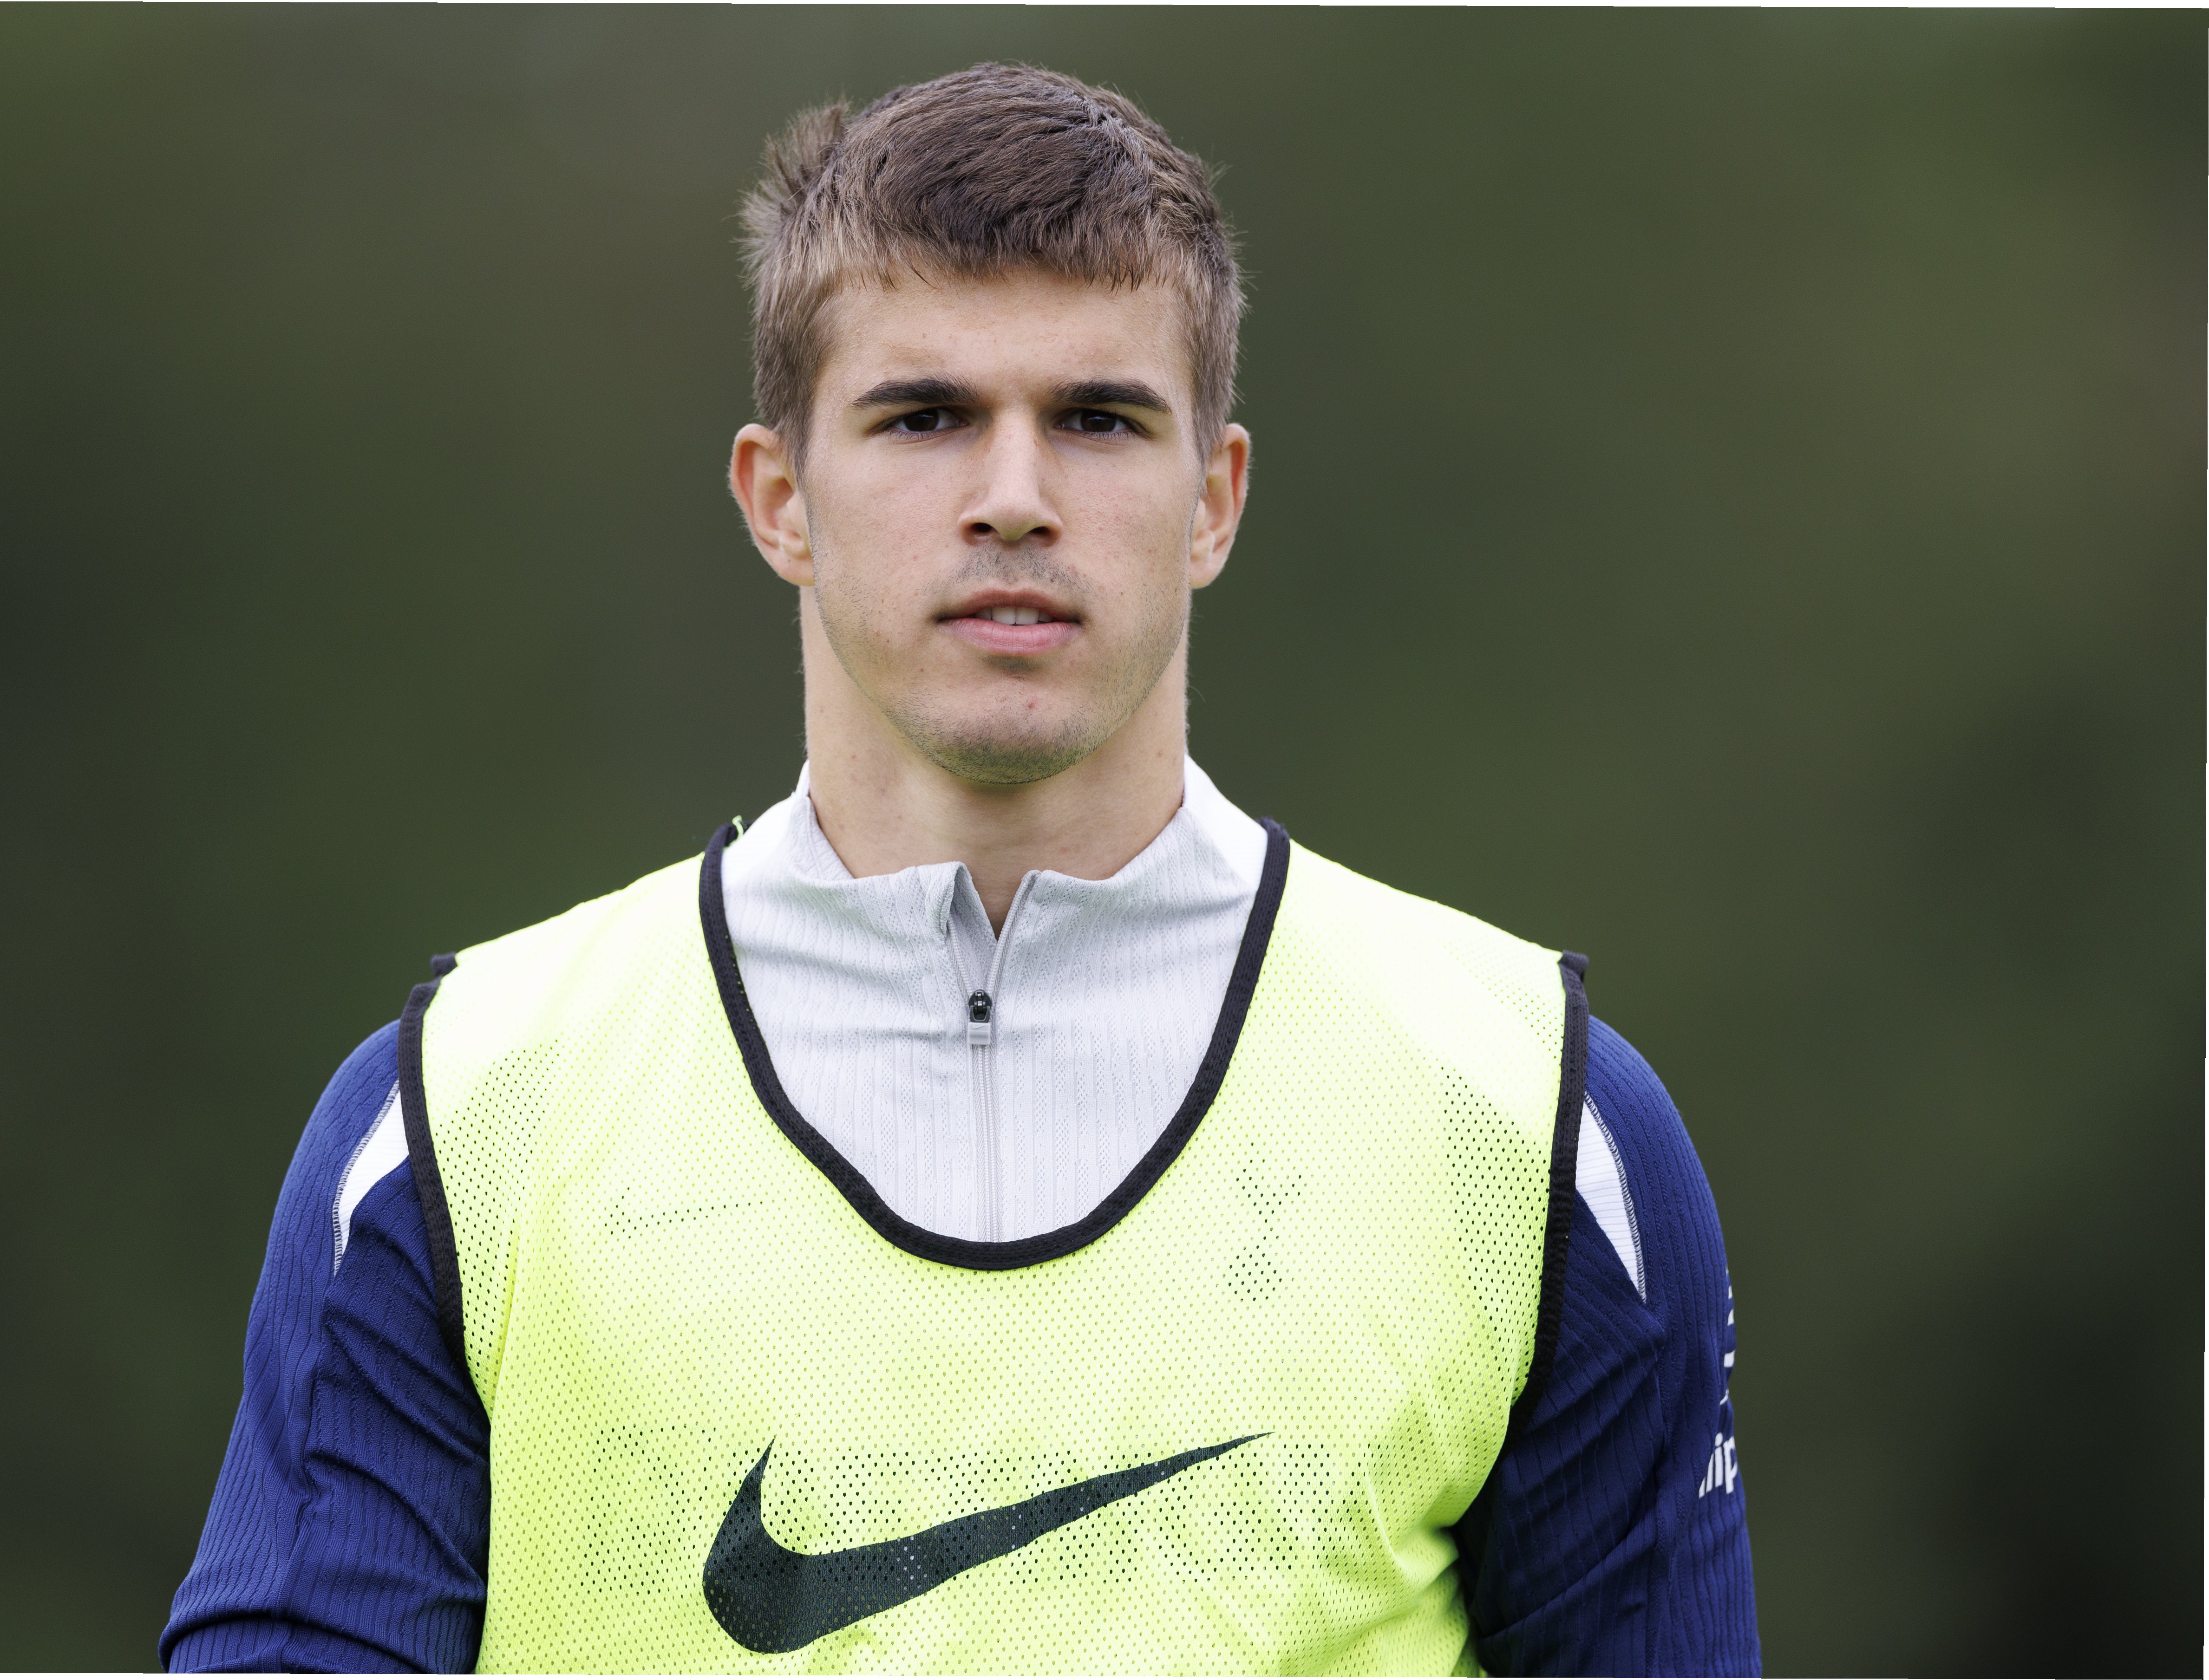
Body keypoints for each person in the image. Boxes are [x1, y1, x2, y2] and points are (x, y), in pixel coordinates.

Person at [162, 63, 1758, 1676]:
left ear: (1213, 500)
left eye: (1097, 420)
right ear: (780, 498)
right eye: (924, 417)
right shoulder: (464, 1114)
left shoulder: (1531, 1125)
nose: (1012, 499)